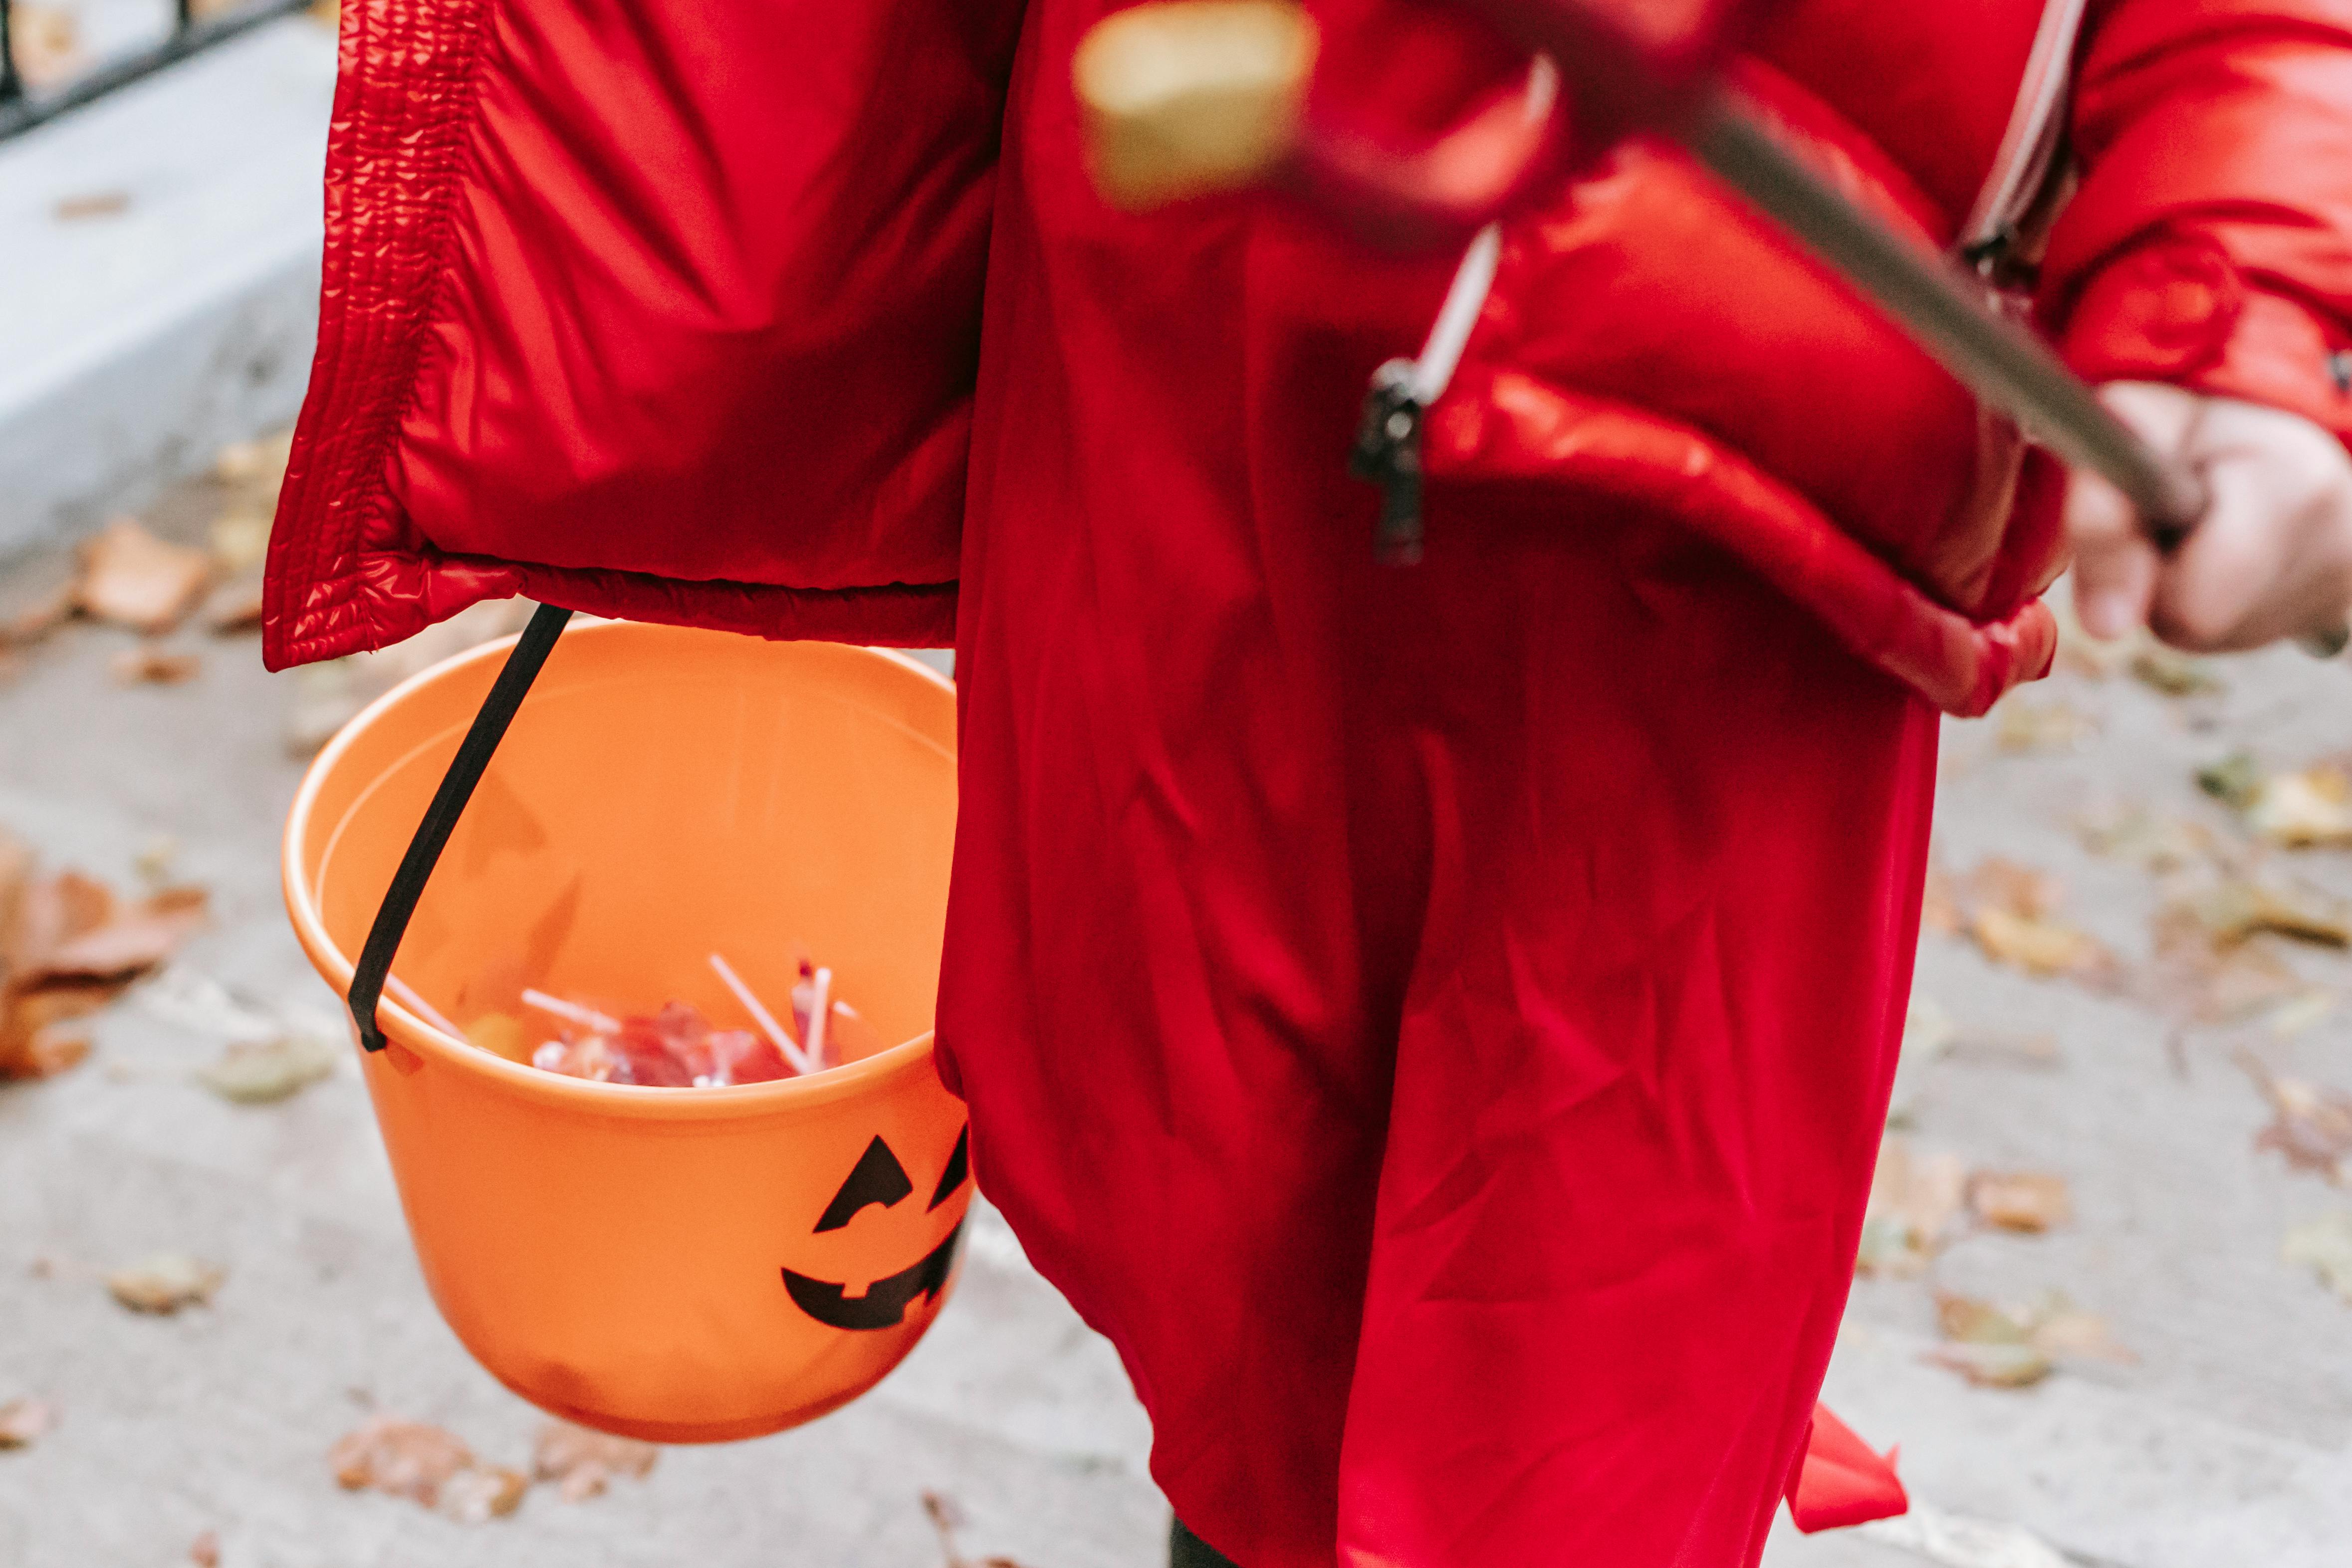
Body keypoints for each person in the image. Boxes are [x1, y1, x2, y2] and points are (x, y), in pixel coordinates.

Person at [258, 0, 2352, 1562]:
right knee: (1225, 1227)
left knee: (1568, 1345)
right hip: (1186, 372)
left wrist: (2249, 284)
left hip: (1702, 548)